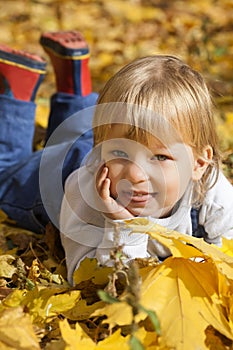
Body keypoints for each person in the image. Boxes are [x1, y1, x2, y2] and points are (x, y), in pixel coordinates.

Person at [59, 55, 233, 284]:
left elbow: (225, 265)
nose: (135, 175)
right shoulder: (83, 195)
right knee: (11, 175)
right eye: (122, 153)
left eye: (160, 157)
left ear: (199, 164)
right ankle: (37, 97)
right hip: (67, 168)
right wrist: (122, 227)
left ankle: (75, 92)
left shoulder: (212, 195)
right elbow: (91, 282)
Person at [0, 31, 98, 233]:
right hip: (83, 185)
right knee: (6, 178)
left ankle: (77, 86)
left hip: (105, 149)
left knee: (79, 146)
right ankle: (16, 92)